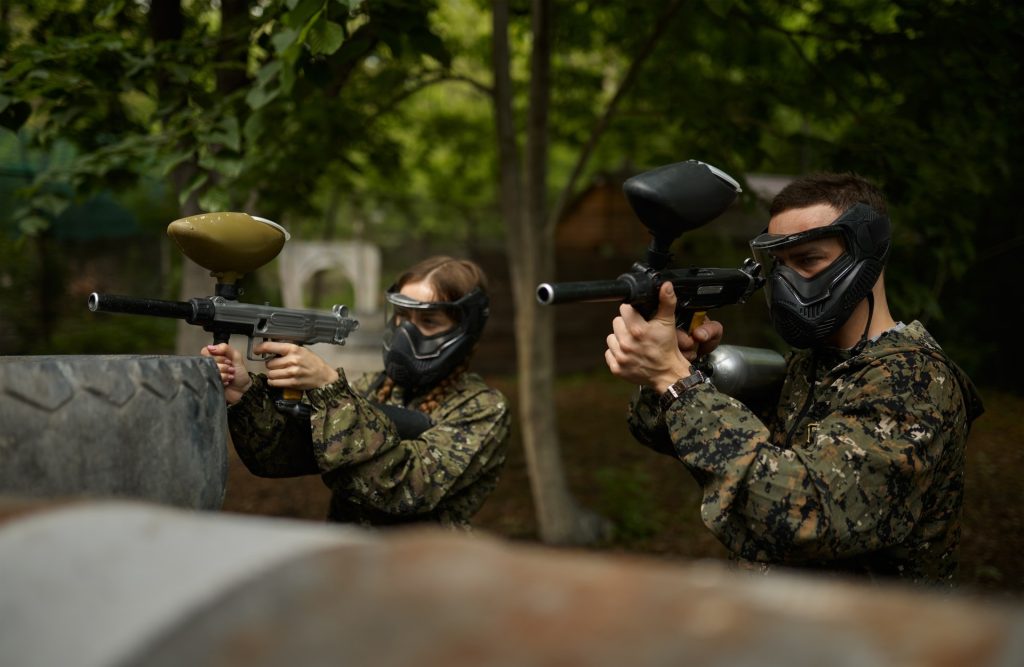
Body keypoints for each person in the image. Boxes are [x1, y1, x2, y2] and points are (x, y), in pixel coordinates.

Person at [604, 172, 984, 584]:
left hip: (872, 625)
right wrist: (677, 365)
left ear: (868, 255)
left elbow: (807, 515)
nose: (786, 281)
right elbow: (657, 430)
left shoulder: (914, 382)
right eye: (779, 264)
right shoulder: (808, 369)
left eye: (808, 260)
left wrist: (677, 381)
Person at [203, 256, 510, 529]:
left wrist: (329, 389)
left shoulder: (484, 409)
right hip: (351, 562)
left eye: (428, 321)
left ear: (464, 328)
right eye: (402, 315)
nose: (406, 330)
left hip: (425, 569)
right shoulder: (370, 387)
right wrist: (246, 396)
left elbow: (407, 489)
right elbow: (281, 457)